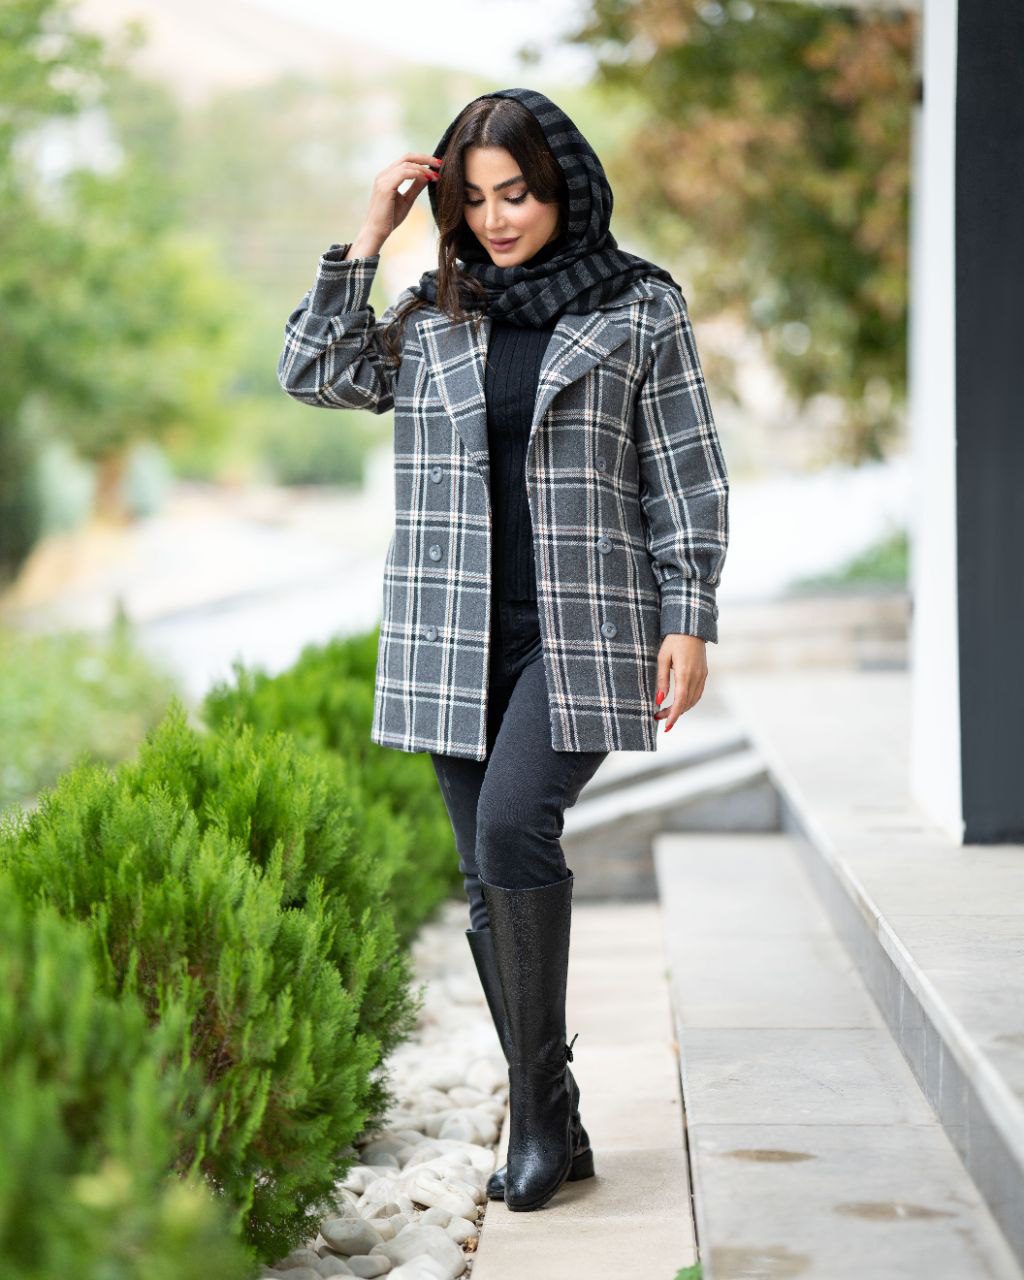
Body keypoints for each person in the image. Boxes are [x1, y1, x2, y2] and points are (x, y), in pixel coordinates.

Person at [277, 86, 730, 1214]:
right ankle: (556, 1120)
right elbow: (316, 371)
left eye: (516, 193)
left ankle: (534, 1112)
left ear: (563, 187)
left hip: (584, 625)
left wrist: (689, 614)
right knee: (487, 872)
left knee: (515, 825)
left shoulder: (639, 308)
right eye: (475, 200)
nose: (496, 219)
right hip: (453, 629)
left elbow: (686, 473)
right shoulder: (437, 309)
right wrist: (370, 235)